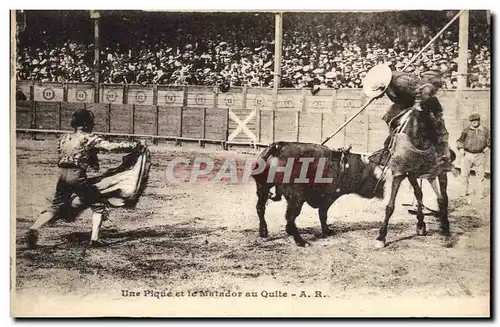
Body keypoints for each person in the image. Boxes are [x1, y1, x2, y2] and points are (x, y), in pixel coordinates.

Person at [26, 109, 141, 249]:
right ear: (87, 124)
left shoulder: (64, 138)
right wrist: (132, 145)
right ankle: (95, 239)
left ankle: (34, 228)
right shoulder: (89, 138)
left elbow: (63, 157)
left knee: (56, 206)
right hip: (78, 177)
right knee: (98, 204)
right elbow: (110, 147)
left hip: (62, 177)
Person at [363, 63, 452, 171]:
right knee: (389, 117)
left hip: (425, 101)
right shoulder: (387, 84)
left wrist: (417, 105)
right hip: (405, 103)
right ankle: (389, 148)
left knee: (434, 122)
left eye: (379, 93)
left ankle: (441, 154)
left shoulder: (402, 82)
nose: (378, 97)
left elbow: (424, 91)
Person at [456, 113, 490, 198]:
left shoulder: (486, 130)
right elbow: (460, 141)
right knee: (464, 174)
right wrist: (461, 148)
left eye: (476, 120)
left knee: (480, 175)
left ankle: (480, 193)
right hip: (468, 154)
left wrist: (488, 147)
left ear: (479, 120)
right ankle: (464, 191)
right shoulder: (466, 130)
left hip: (480, 155)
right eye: (472, 121)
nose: (474, 122)